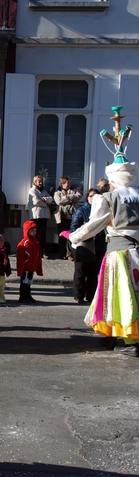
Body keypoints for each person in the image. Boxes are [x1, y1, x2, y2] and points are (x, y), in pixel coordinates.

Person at [66, 145, 139, 355]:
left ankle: (128, 340)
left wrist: (74, 237)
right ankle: (116, 335)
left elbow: (94, 224)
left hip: (120, 254)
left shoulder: (108, 198)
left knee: (118, 295)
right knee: (132, 294)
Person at [70, 189, 106, 304]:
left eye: (96, 196)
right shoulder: (82, 210)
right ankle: (79, 295)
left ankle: (91, 296)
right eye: (91, 196)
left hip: (99, 245)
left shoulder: (103, 212)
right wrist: (87, 233)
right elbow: (74, 227)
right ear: (87, 198)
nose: (94, 198)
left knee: (93, 272)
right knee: (81, 271)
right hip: (84, 245)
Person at [54, 176, 82, 260]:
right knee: (62, 235)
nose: (69, 183)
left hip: (72, 216)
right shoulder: (57, 192)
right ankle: (62, 253)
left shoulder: (74, 191)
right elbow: (59, 201)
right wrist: (71, 199)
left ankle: (70, 254)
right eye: (67, 182)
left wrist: (67, 198)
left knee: (71, 235)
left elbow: (78, 197)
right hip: (62, 217)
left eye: (69, 182)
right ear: (62, 184)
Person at [27, 175, 53, 258]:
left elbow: (51, 199)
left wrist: (44, 199)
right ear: (35, 182)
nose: (41, 183)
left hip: (44, 215)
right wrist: (45, 204)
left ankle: (43, 251)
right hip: (36, 215)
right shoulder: (32, 190)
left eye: (41, 181)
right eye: (39, 181)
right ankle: (35, 251)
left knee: (43, 234)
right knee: (35, 234)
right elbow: (36, 201)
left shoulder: (44, 191)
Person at [16, 220, 43, 303]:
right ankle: (23, 297)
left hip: (32, 267)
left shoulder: (36, 243)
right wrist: (20, 270)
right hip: (25, 267)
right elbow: (20, 259)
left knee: (29, 282)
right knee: (24, 282)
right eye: (32, 231)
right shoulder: (23, 244)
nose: (34, 233)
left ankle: (28, 295)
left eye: (35, 231)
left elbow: (38, 257)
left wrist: (38, 268)